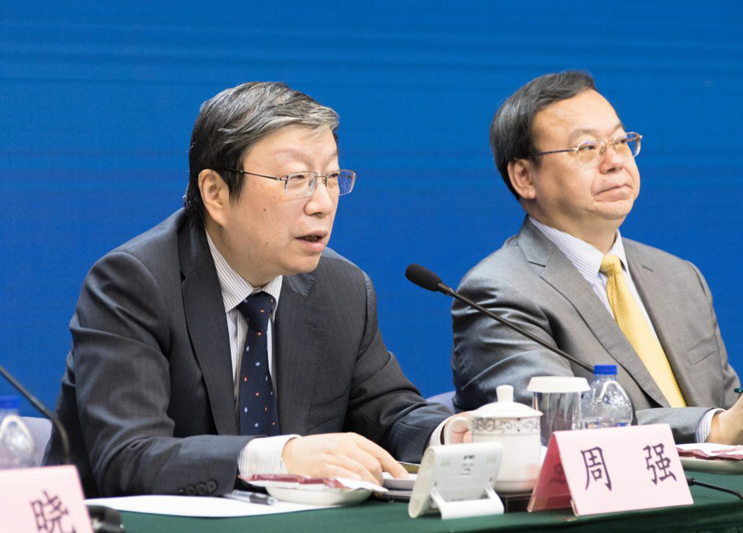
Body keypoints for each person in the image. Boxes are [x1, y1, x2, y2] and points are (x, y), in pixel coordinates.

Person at [44, 82, 459, 497]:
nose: (322, 203)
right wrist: (279, 457)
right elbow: (129, 457)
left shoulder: (342, 288)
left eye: (331, 178)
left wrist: (450, 434)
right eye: (296, 178)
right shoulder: (134, 284)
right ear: (216, 193)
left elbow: (388, 413)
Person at [451, 71, 743, 445]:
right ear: (524, 177)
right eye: (587, 147)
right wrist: (712, 427)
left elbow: (729, 408)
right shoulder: (498, 292)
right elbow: (559, 425)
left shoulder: (680, 277)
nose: (615, 161)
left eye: (620, 141)